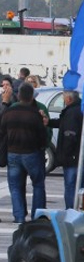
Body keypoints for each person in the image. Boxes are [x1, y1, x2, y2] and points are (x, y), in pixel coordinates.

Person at [0, 83, 48, 223]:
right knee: (38, 184)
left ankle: (19, 216)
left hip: (13, 153)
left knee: (15, 186)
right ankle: (37, 216)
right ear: (31, 97)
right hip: (31, 153)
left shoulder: (9, 113)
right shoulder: (35, 114)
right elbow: (43, 137)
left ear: (19, 95)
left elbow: (2, 133)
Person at [48, 90, 84, 209]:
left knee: (70, 186)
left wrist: (65, 155)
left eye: (63, 98)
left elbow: (69, 134)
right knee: (83, 186)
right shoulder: (82, 109)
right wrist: (49, 122)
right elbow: (63, 124)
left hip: (73, 157)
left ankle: (71, 211)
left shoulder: (71, 112)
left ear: (69, 99)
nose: (63, 100)